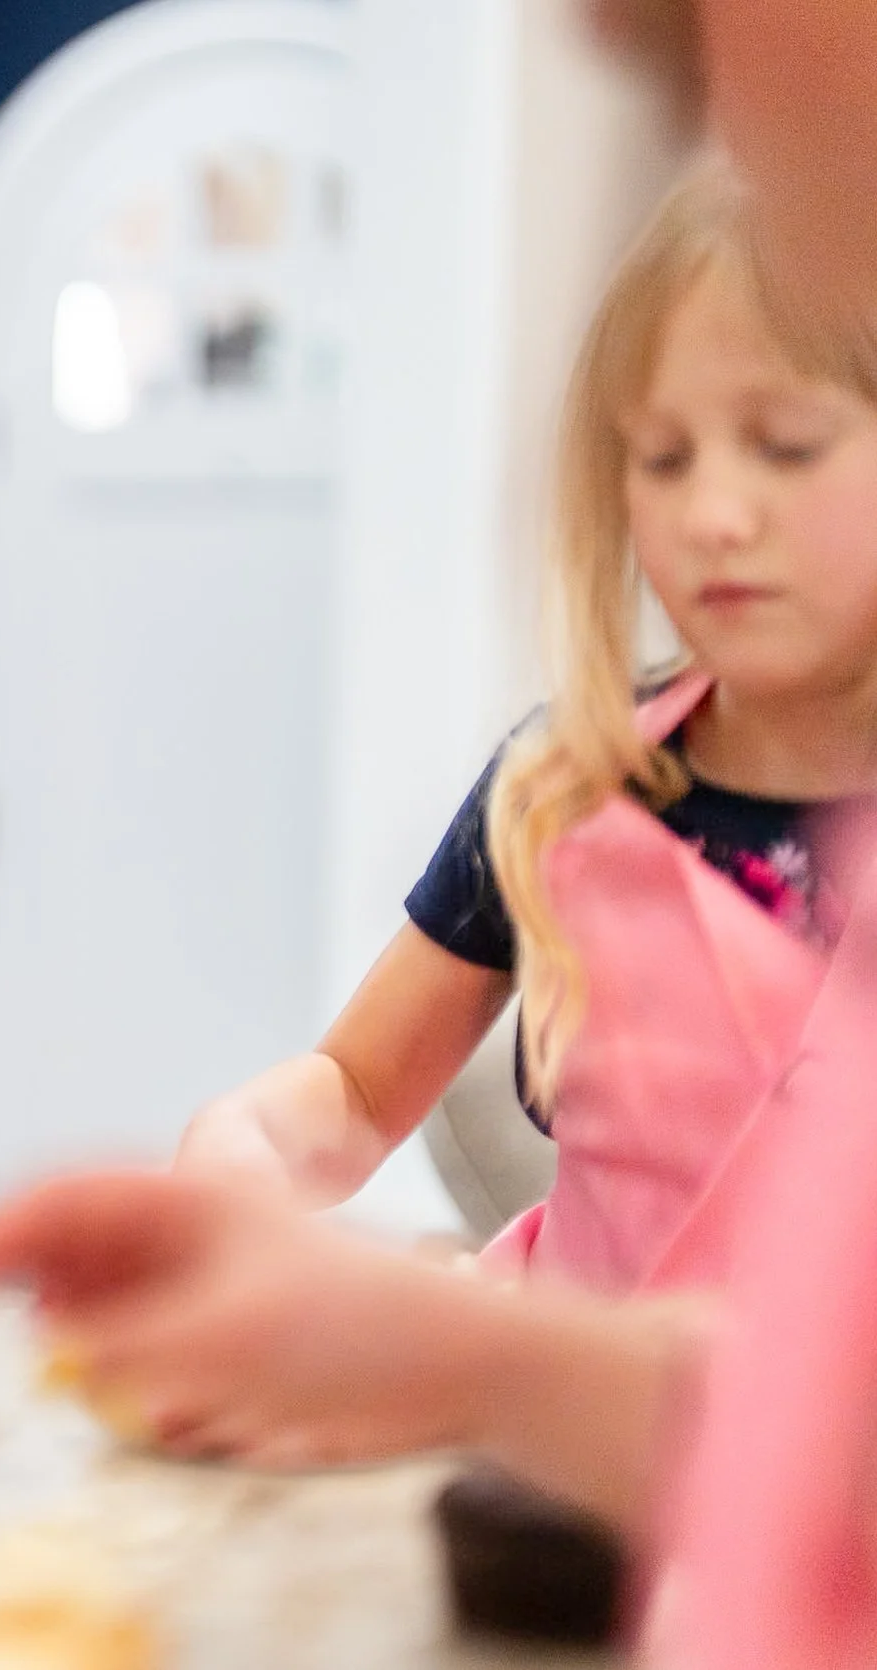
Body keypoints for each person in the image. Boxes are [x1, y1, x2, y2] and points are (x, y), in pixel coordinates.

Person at [177, 161, 877, 1295]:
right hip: (559, 1436)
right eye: (661, 456)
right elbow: (355, 1093)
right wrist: (241, 1149)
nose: (710, 514)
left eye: (786, 444)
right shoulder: (563, 784)